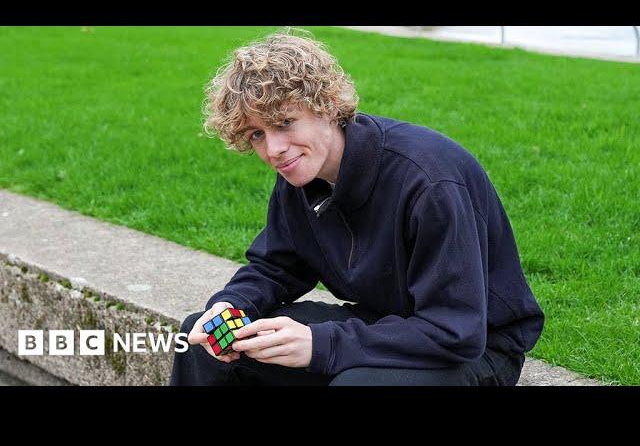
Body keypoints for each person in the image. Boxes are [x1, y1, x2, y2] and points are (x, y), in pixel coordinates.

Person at [169, 29, 544, 386]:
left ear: (327, 106)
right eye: (257, 134)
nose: (274, 149)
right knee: (200, 339)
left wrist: (321, 345)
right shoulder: (299, 173)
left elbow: (455, 330)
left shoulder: (429, 182)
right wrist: (231, 305)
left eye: (285, 123)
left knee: (358, 382)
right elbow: (277, 265)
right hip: (384, 323)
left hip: (476, 346)